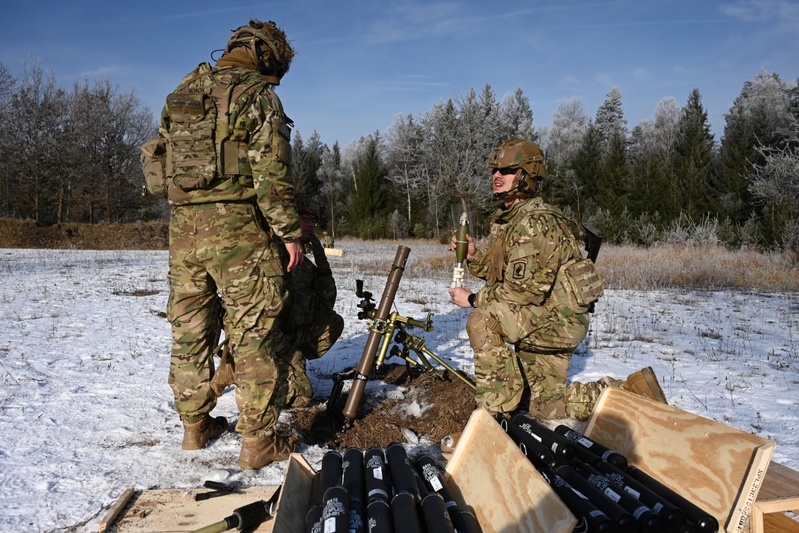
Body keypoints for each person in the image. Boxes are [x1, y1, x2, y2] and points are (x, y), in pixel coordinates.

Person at [159, 19, 303, 469]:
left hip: (184, 229)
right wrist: (289, 232)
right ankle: (258, 442)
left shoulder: (183, 93)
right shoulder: (256, 95)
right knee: (253, 331)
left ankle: (194, 427)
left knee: (189, 329)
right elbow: (270, 175)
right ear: (264, 55)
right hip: (238, 230)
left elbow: (162, 163)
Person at [448, 139, 666, 421]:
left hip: (555, 320)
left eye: (507, 170)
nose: (497, 176)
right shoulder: (510, 218)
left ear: (527, 175)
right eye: (494, 171)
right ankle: (631, 392)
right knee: (546, 406)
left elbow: (520, 294)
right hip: (548, 315)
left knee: (482, 319)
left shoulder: (533, 223)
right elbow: (503, 272)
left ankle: (493, 415)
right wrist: (475, 256)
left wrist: (473, 299)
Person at [274, 197, 345, 408]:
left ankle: (289, 368)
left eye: (314, 219)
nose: (311, 224)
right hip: (265, 341)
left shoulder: (304, 263)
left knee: (333, 322)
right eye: (304, 217)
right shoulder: (273, 255)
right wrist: (289, 353)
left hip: (289, 336)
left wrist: (322, 262)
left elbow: (325, 305)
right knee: (301, 397)